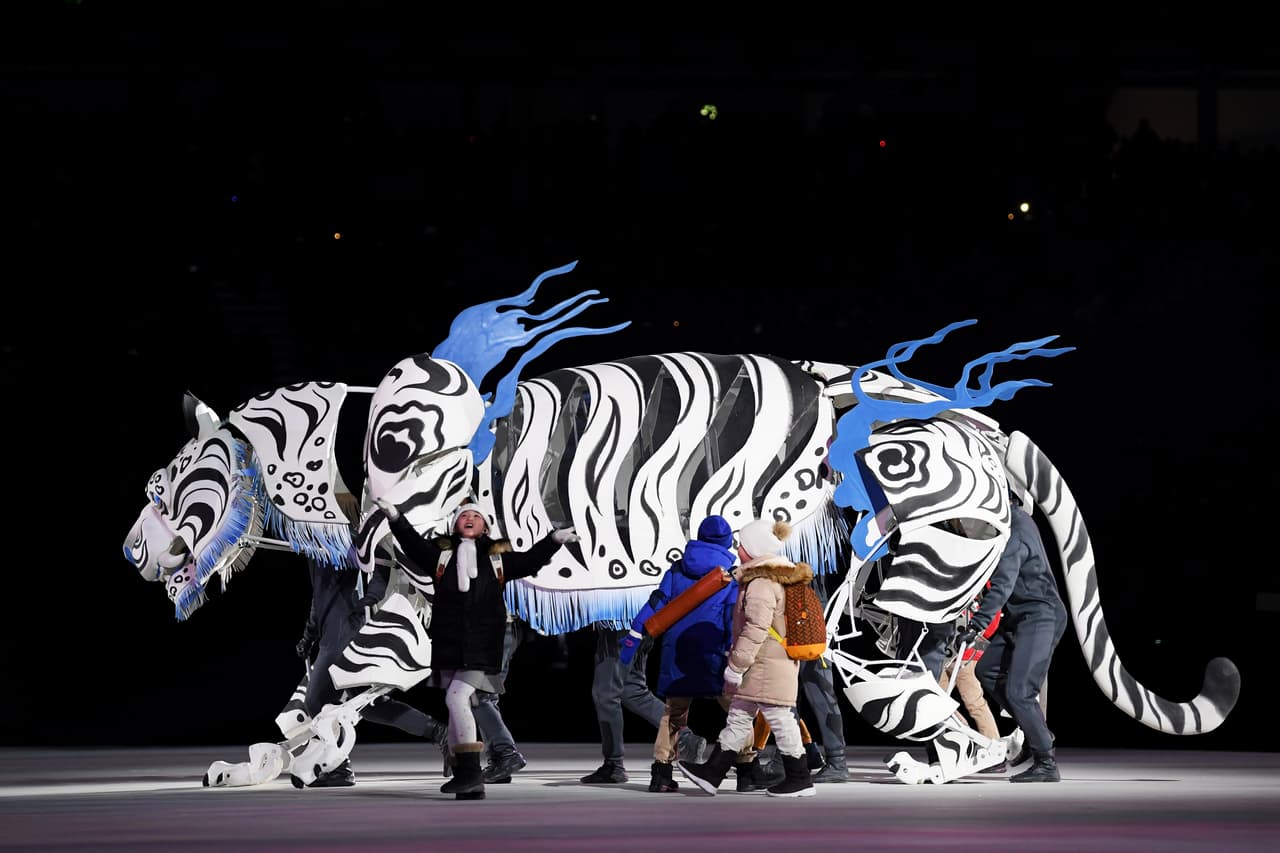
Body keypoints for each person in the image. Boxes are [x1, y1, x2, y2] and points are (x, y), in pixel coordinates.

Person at [375, 497, 577, 800]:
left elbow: (531, 560)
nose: (469, 518)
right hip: (449, 644)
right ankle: (466, 778)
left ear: (485, 527)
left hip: (482, 645)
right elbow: (413, 544)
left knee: (457, 698)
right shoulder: (441, 556)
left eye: (476, 516)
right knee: (456, 704)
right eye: (464, 515)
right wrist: (395, 517)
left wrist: (553, 540)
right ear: (455, 524)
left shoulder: (497, 559)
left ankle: (470, 773)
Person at [293, 493, 449, 788]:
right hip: (330, 634)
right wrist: (309, 634)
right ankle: (439, 733)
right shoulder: (316, 545)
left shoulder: (356, 539)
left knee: (317, 701)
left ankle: (339, 766)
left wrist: (369, 599)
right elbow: (318, 596)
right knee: (366, 704)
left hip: (347, 631)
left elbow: (380, 568)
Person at [677, 518, 816, 798]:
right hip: (766, 662)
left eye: (743, 544)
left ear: (755, 549)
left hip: (765, 663)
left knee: (779, 718)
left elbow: (755, 628)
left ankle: (800, 777)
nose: (738, 549)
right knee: (740, 716)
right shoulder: (769, 578)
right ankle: (713, 773)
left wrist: (736, 665)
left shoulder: (762, 583)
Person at [618, 515, 758, 793]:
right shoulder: (729, 576)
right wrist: (736, 651)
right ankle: (747, 772)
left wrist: (634, 635)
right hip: (715, 652)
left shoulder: (677, 570)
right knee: (738, 712)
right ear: (726, 541)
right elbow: (732, 618)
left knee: (673, 714)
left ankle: (661, 774)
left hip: (677, 651)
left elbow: (656, 602)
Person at [966, 499, 1068, 783]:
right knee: (985, 670)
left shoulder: (1015, 529)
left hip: (1040, 616)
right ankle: (1038, 733)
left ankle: (1046, 762)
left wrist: (977, 625)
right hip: (1019, 617)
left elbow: (1002, 586)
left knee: (1020, 691)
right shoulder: (1012, 520)